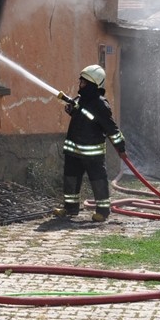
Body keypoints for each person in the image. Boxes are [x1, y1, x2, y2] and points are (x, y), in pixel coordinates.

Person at [54, 64, 126, 223]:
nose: (80, 84)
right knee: (70, 179)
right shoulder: (80, 99)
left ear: (93, 84)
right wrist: (71, 110)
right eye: (81, 81)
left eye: (84, 82)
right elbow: (80, 115)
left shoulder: (100, 104)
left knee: (98, 181)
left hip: (92, 154)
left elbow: (110, 127)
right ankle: (70, 208)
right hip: (73, 150)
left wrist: (120, 146)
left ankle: (102, 211)